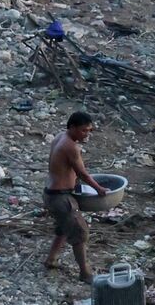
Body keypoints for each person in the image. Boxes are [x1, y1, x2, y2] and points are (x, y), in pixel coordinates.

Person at [44, 111, 112, 280]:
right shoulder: (71, 147)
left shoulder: (60, 137)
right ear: (72, 127)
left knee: (64, 228)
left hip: (51, 193)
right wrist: (99, 189)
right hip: (60, 197)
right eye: (83, 130)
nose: (86, 134)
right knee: (80, 233)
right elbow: (83, 174)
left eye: (89, 130)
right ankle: (85, 273)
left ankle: (51, 259)